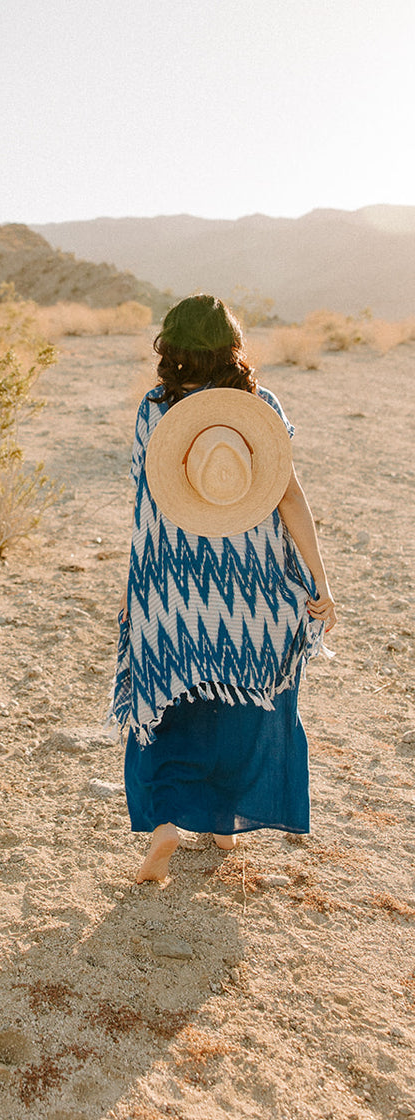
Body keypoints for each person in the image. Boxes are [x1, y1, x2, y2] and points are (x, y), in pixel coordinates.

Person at [112, 294, 337, 883]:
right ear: (232, 348)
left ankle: (166, 825)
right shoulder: (258, 409)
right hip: (250, 595)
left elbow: (147, 495)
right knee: (240, 696)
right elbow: (289, 496)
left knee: (171, 701)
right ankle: (222, 820)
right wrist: (320, 580)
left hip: (172, 590)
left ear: (172, 347)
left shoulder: (154, 410)